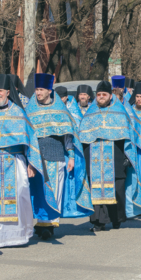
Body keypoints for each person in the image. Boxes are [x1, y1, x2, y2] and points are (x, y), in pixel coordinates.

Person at [0, 74, 46, 249]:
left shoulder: (19, 113)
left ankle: (19, 237)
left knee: (20, 196)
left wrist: (31, 163)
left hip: (16, 162)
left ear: (8, 92)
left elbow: (30, 140)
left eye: (0, 91)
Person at [26, 73, 93, 240]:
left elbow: (67, 135)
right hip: (36, 157)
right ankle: (41, 222)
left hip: (56, 156)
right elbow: (26, 135)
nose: (38, 92)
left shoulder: (60, 108)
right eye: (36, 89)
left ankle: (49, 226)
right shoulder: (30, 108)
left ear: (49, 90)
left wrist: (71, 156)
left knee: (55, 191)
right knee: (39, 191)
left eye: (41, 89)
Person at [79, 80, 141, 231]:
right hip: (94, 159)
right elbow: (83, 137)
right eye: (99, 95)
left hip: (116, 159)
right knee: (95, 189)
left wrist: (127, 158)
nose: (101, 97)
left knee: (117, 190)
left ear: (110, 96)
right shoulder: (90, 114)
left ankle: (116, 219)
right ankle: (98, 221)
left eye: (104, 94)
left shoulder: (120, 112)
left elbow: (128, 137)